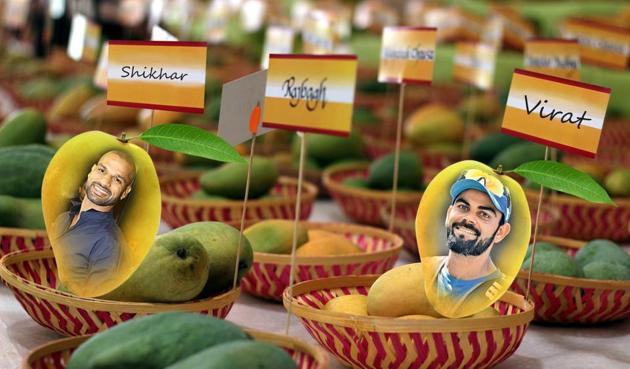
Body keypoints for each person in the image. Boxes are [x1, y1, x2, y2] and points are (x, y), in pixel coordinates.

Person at [423, 169, 512, 317]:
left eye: (484, 214)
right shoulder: (423, 272)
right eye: (463, 207)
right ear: (448, 214)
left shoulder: (503, 294)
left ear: (500, 232)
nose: (469, 219)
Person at [53, 150, 136, 294]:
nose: (104, 182)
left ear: (125, 192)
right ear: (92, 171)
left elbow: (92, 303)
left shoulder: (109, 244)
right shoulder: (64, 218)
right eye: (102, 170)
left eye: (117, 180)